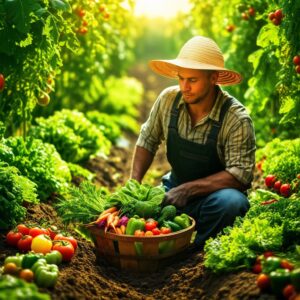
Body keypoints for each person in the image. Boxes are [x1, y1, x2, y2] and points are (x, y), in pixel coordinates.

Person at [130, 36, 256, 250]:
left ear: (213, 78)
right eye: (181, 78)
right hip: (174, 188)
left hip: (214, 197)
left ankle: (196, 252)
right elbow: (148, 140)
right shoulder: (168, 100)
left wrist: (188, 190)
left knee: (232, 204)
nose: (184, 87)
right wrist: (133, 182)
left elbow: (240, 176)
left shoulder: (236, 119)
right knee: (139, 212)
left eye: (193, 80)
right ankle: (167, 247)